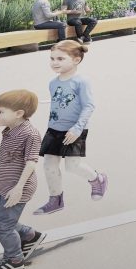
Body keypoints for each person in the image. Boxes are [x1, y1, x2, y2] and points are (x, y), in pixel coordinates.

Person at [33, 40, 107, 214]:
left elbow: (89, 105)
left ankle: (98, 179)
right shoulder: (53, 83)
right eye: (52, 59)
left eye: (60, 58)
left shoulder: (81, 81)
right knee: (49, 165)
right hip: (53, 129)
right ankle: (56, 200)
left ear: (76, 60)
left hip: (74, 129)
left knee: (72, 166)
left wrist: (77, 128)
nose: (54, 62)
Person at [0, 88, 47, 269]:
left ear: (18, 114)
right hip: (6, 186)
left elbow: (31, 162)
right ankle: (30, 235)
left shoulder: (30, 134)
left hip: (19, 188)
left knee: (4, 227)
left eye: (0, 112)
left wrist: (18, 188)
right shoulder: (10, 130)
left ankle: (14, 259)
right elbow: (9, 161)